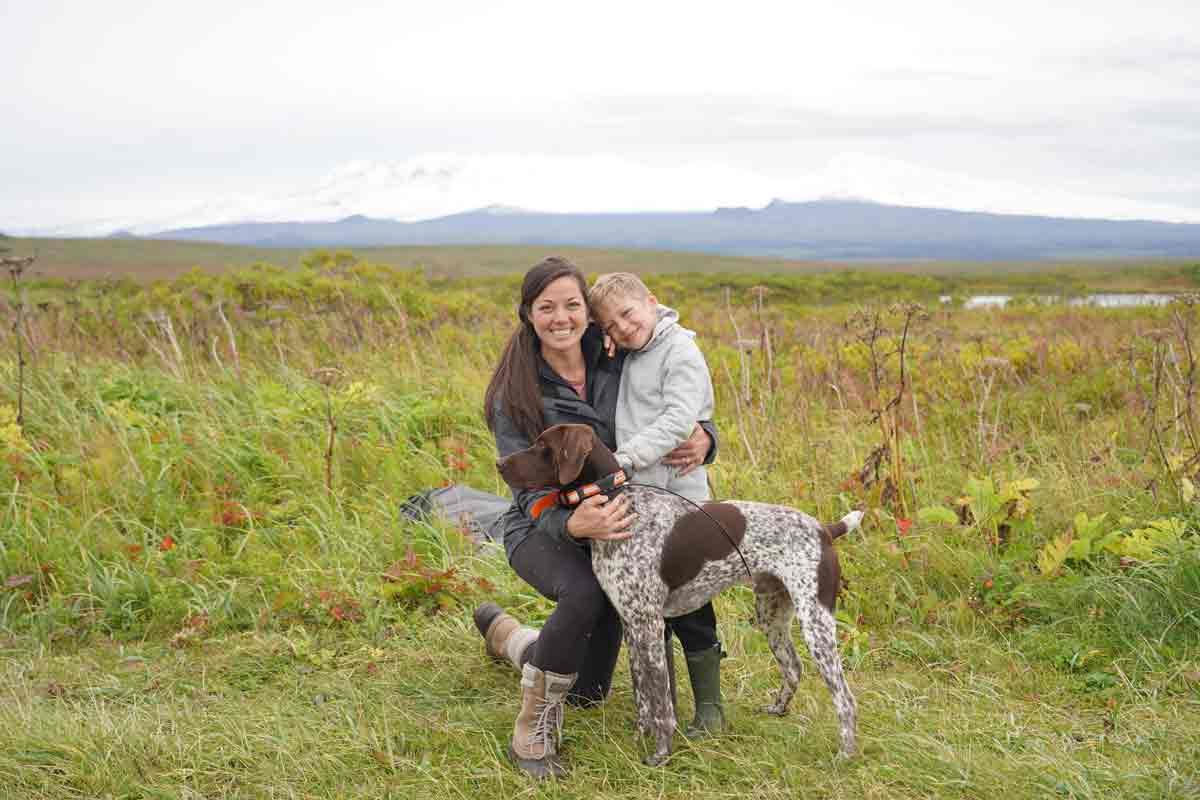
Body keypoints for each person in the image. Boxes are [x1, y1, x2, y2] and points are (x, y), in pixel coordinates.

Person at [475, 256, 721, 779]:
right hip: (541, 527)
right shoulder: (514, 393)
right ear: (528, 314)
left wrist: (706, 436)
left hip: (608, 527)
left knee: (589, 693)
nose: (561, 317)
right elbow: (524, 493)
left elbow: (672, 406)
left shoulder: (616, 354)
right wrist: (569, 526)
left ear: (589, 313)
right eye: (547, 308)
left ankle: (514, 639)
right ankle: (532, 731)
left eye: (572, 305)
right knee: (585, 593)